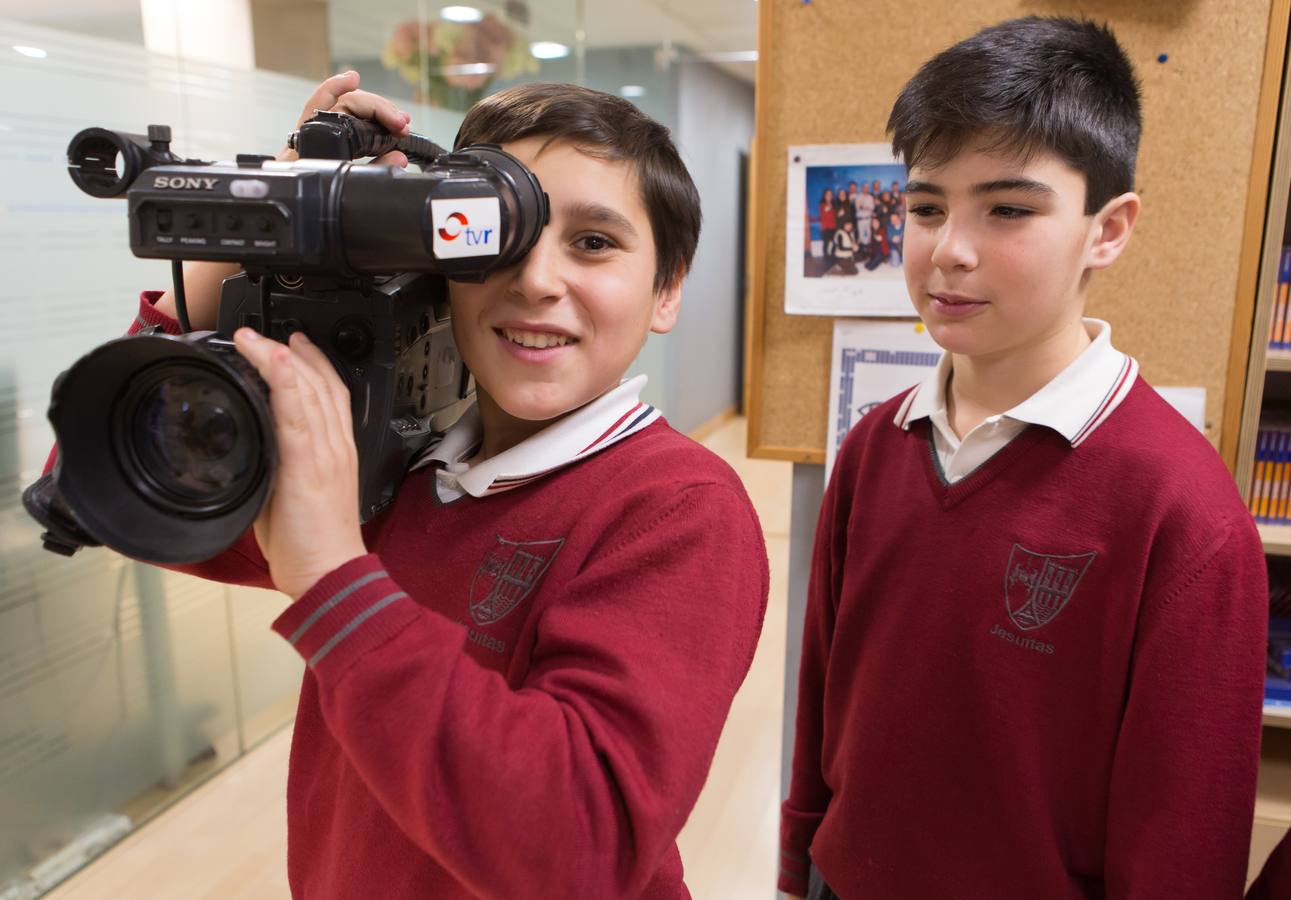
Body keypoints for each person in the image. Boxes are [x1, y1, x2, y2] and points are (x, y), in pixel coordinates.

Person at [82, 72, 769, 897]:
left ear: (667, 290)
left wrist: (334, 573)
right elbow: (106, 494)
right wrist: (276, 201)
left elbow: (582, 847)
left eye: (593, 243)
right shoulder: (396, 468)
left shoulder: (678, 509)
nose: (536, 281)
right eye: (497, 236)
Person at [778, 17, 1266, 900]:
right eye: (925, 207)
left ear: (1107, 230)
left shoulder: (1180, 510)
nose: (948, 250)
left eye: (1006, 209)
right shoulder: (872, 445)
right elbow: (822, 700)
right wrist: (793, 866)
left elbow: (1183, 837)